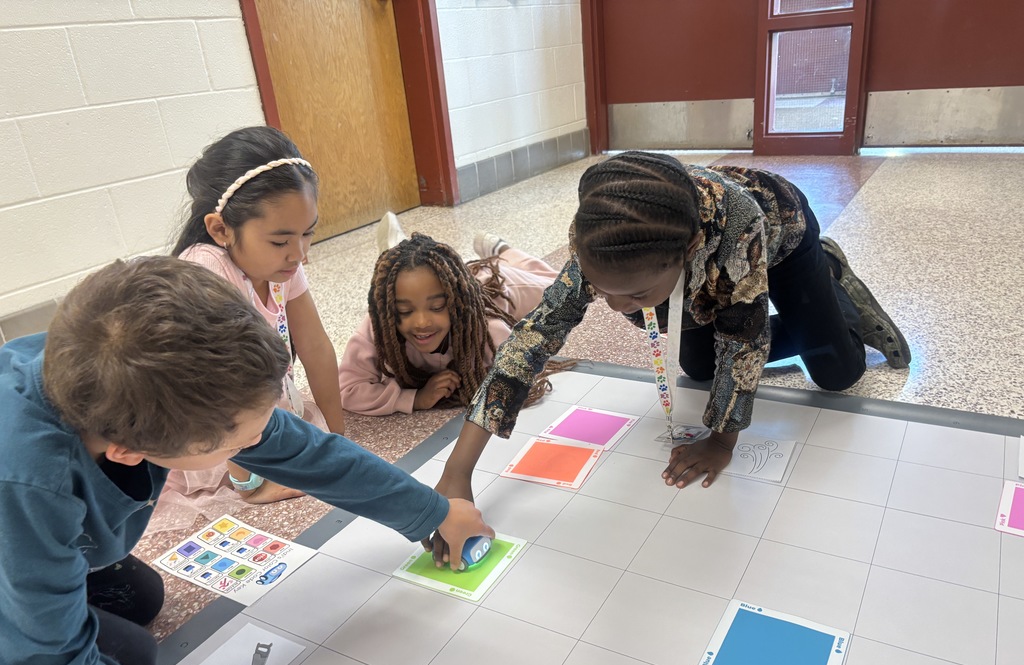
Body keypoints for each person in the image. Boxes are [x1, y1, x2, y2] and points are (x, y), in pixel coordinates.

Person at [0, 257, 492, 665]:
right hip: (15, 522)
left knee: (141, 596)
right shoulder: (28, 483)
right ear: (127, 448)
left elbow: (306, 453)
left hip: (34, 527)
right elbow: (48, 658)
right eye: (244, 437)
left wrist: (429, 510)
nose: (262, 440)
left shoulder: (128, 381)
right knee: (125, 661)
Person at [434, 150, 910, 516]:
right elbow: (529, 342)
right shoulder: (602, 241)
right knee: (700, 367)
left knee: (837, 373)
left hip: (781, 237)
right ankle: (796, 317)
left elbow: (744, 342)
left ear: (686, 253)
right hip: (697, 270)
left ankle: (831, 280)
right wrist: (458, 472)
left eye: (634, 294)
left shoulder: (738, 231)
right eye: (604, 292)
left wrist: (720, 441)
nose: (617, 308)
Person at [168, 125, 344, 506]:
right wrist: (250, 486)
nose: (299, 254)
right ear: (220, 230)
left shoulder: (285, 263)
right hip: (217, 436)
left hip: (262, 419)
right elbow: (216, 391)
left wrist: (339, 441)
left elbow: (315, 347)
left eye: (308, 234)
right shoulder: (206, 273)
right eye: (281, 240)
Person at [338, 214, 564, 415]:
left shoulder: (487, 330)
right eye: (405, 310)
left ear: (455, 305)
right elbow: (347, 389)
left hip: (497, 288)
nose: (421, 322)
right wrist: (414, 398)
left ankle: (502, 252)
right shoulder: (379, 324)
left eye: (436, 308)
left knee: (563, 287)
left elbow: (521, 376)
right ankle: (403, 256)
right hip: (442, 280)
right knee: (421, 281)